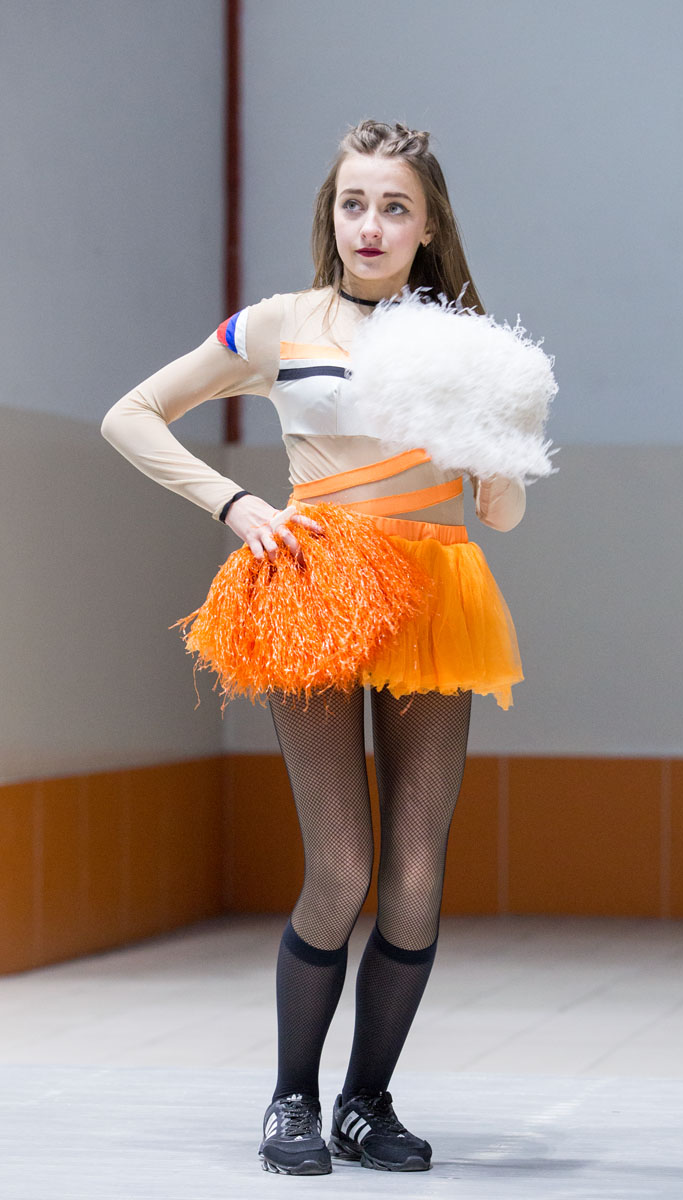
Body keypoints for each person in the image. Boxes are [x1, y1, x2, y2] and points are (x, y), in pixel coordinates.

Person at [102, 119, 525, 1176]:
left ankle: (365, 1102)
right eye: (352, 202)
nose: (369, 224)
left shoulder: (467, 338)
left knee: (416, 871)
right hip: (313, 582)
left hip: (433, 588)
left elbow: (503, 512)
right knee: (341, 866)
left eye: (394, 207)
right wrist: (233, 503)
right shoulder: (280, 323)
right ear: (330, 214)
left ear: (428, 227)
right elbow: (132, 415)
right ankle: (290, 1098)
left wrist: (499, 457)